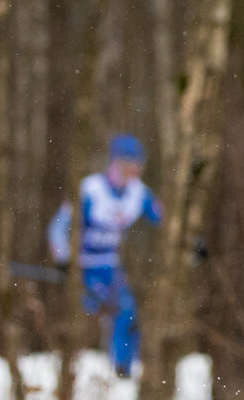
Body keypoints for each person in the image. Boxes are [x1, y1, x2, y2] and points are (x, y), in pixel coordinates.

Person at [49, 135, 161, 378]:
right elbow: (58, 227)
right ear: (116, 163)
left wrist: (194, 244)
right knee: (97, 312)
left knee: (127, 313)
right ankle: (78, 368)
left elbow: (164, 220)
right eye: (131, 164)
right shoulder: (91, 190)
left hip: (110, 267)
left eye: (139, 164)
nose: (137, 170)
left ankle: (122, 369)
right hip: (84, 267)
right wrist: (62, 259)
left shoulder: (138, 194)